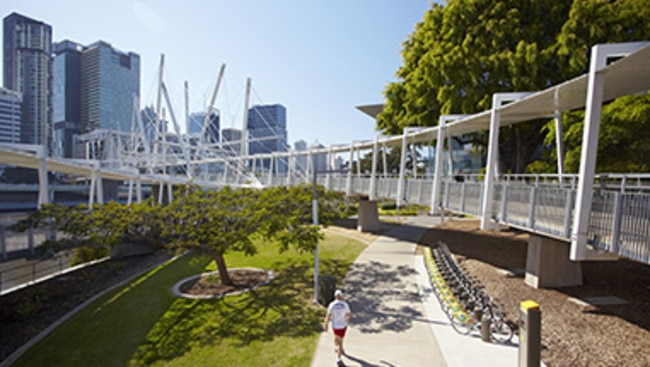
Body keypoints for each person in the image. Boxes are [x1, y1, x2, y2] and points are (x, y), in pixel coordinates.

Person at [323, 289, 351, 366]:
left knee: (337, 340)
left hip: (335, 326)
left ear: (335, 296)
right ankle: (339, 358)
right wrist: (347, 320)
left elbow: (328, 316)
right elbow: (349, 314)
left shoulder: (332, 305)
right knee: (341, 341)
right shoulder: (345, 304)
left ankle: (339, 350)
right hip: (343, 326)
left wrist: (326, 324)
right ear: (341, 296)